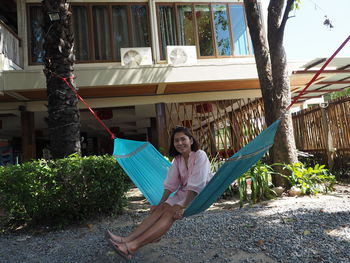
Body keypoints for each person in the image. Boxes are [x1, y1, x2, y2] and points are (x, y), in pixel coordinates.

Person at [106, 126, 213, 260]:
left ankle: (132, 246)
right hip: (185, 192)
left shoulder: (200, 155)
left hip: (200, 194)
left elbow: (197, 183)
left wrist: (184, 205)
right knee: (160, 209)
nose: (180, 143)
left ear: (191, 140)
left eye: (183, 139)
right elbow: (170, 184)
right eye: (176, 141)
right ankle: (125, 239)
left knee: (170, 213)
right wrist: (160, 203)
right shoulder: (178, 159)